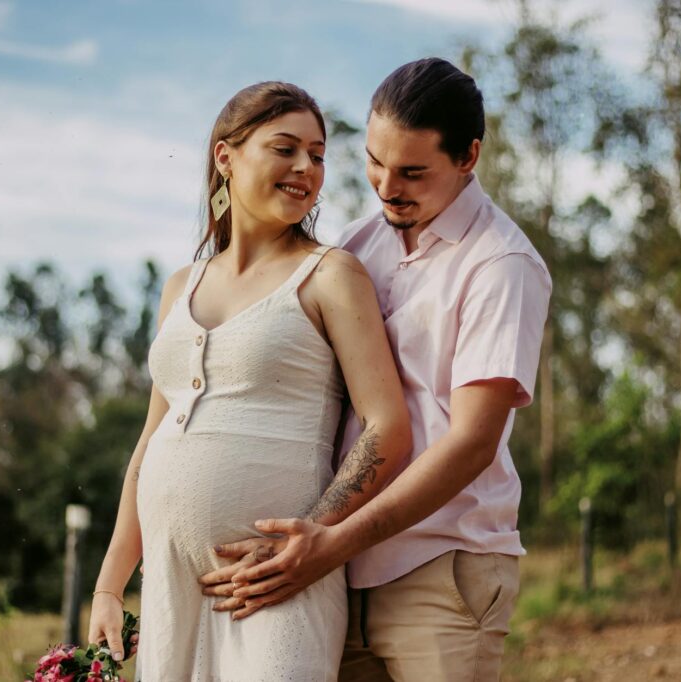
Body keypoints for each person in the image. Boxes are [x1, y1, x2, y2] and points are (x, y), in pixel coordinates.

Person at [199, 58, 552, 681]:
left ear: (468, 157)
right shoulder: (359, 246)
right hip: (337, 575)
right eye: (373, 162)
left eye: (413, 172)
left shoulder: (500, 265)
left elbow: (471, 442)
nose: (387, 186)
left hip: (442, 569)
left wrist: (331, 539)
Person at [87, 81, 411, 681]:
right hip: (169, 585)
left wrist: (314, 536)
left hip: (275, 587)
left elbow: (388, 427)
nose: (305, 168)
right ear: (225, 157)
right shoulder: (180, 286)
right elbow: (151, 442)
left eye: (317, 155)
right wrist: (110, 584)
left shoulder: (331, 276)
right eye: (285, 148)